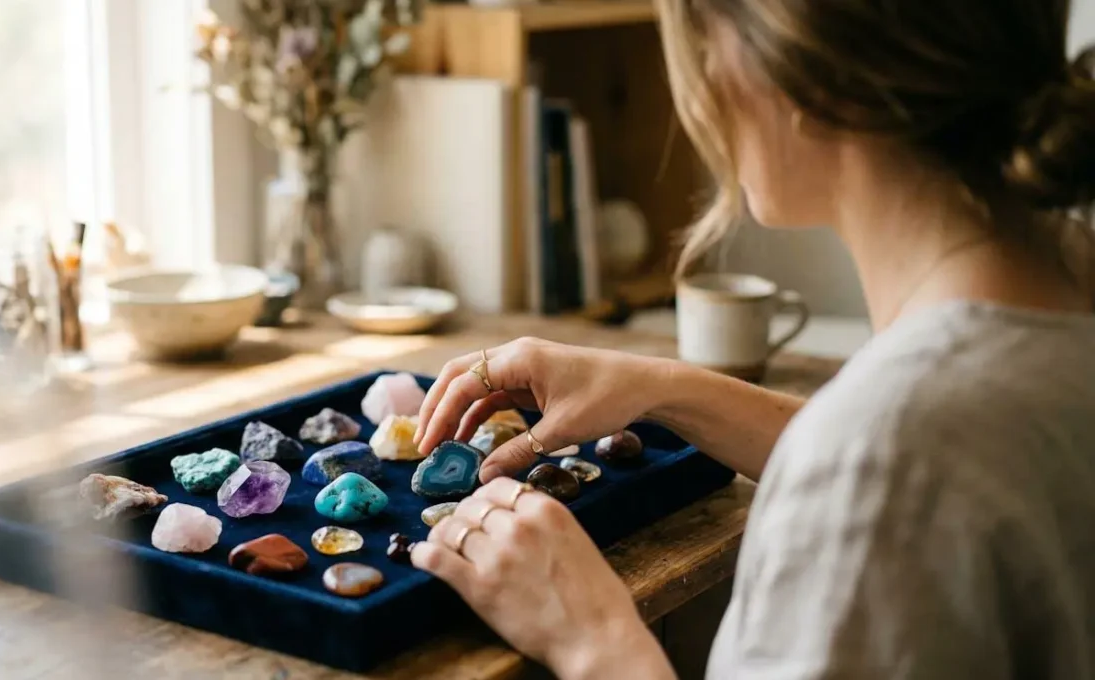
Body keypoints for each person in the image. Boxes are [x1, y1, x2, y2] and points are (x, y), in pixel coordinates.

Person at [410, 0, 1095, 677]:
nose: (706, 79)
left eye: (710, 46)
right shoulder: (1066, 281)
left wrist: (593, 640)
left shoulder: (878, 458)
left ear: (806, 77)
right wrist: (659, 386)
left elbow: (891, 461)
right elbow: (954, 455)